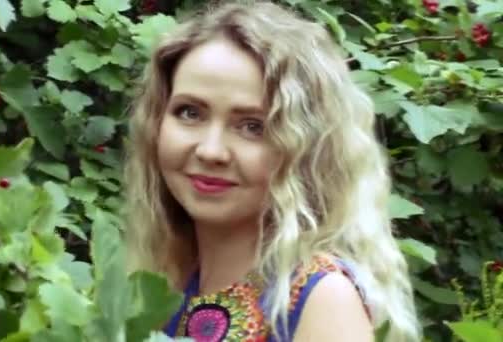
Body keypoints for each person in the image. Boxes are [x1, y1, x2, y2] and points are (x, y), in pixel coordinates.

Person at [123, 1, 420, 341]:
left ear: (306, 148)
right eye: (190, 113)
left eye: (253, 126)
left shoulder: (321, 298)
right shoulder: (166, 281)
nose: (210, 150)